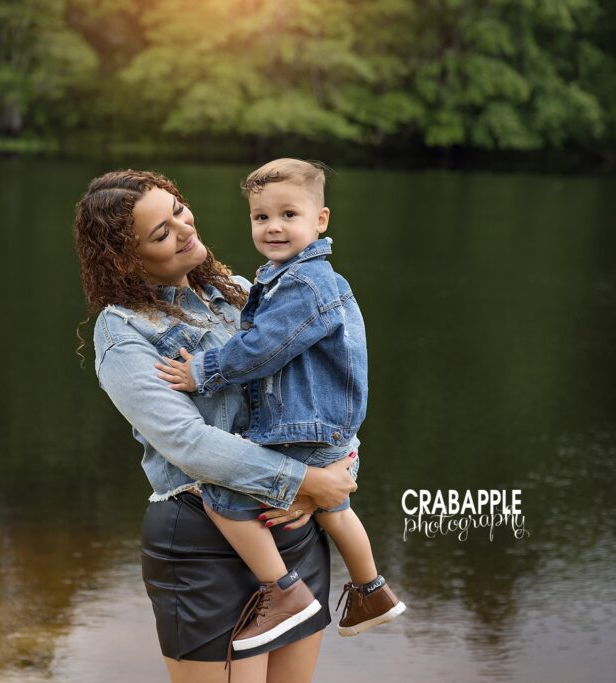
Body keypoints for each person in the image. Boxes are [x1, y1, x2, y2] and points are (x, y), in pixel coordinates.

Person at [74, 169, 359, 683]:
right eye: (161, 233)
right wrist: (308, 483)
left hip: (293, 527)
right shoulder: (123, 330)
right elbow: (190, 444)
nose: (184, 229)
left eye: (179, 211)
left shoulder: (246, 294)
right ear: (125, 259)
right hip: (204, 544)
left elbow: (332, 381)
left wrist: (338, 471)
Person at [155, 159, 405, 651]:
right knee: (335, 507)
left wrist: (202, 371)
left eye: (289, 214)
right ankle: (371, 589)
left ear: (321, 220)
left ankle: (282, 591)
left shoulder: (305, 285)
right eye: (260, 217)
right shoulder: (283, 277)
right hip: (321, 425)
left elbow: (264, 348)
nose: (273, 227)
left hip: (304, 427)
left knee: (222, 499)